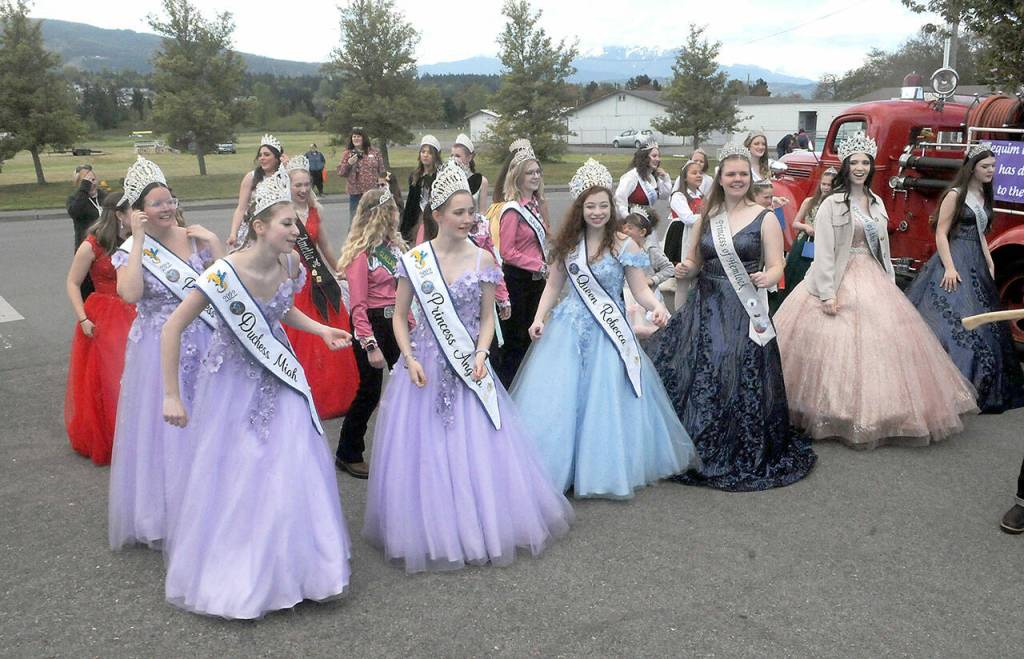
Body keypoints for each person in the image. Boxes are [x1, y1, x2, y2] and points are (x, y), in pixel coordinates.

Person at [363, 159, 573, 573]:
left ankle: (481, 522)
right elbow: (399, 315)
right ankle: (430, 527)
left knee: (476, 446)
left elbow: (487, 317)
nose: (467, 218)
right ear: (437, 214)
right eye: (458, 212)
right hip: (423, 365)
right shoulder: (416, 259)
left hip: (469, 367)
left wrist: (480, 353)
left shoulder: (482, 260)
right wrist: (406, 357)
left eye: (470, 211)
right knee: (424, 449)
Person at [160, 168, 352, 619]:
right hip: (232, 384)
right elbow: (172, 328)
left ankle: (301, 568)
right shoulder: (222, 274)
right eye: (286, 223)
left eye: (296, 223)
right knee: (242, 470)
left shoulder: (288, 264)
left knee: (292, 461)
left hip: (278, 374)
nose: (295, 230)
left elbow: (281, 311)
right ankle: (243, 570)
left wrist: (322, 329)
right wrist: (172, 394)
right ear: (259, 226)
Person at [773, 132, 978, 448]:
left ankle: (882, 411)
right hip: (838, 276)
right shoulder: (831, 203)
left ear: (871, 167)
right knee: (833, 347)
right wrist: (828, 292)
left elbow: (882, 245)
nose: (859, 167)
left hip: (872, 275)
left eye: (864, 162)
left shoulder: (876, 202)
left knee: (883, 347)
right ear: (845, 166)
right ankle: (828, 410)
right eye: (854, 162)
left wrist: (890, 279)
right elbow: (826, 250)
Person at [510, 160, 698, 497]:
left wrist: (656, 307)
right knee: (559, 402)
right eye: (589, 206)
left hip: (609, 333)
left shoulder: (624, 245)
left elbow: (640, 290)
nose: (597, 212)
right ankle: (558, 468)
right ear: (579, 208)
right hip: (568, 328)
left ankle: (600, 468)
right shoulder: (568, 246)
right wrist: (539, 318)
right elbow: (553, 287)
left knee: (606, 402)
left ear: (612, 207)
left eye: (603, 205)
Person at [645, 143, 816, 491]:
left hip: (744, 308)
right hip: (706, 305)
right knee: (698, 370)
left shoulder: (765, 217)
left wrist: (769, 278)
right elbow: (694, 261)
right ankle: (693, 442)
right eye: (731, 174)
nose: (737, 179)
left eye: (742, 174)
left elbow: (776, 263)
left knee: (735, 368)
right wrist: (686, 266)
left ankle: (736, 443)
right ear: (720, 179)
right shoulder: (708, 218)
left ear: (749, 178)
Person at [108, 156, 222, 550]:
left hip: (201, 339)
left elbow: (223, 289)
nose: (166, 208)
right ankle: (169, 512)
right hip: (157, 346)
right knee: (165, 430)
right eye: (156, 203)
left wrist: (214, 245)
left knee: (206, 416)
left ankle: (211, 502)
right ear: (139, 211)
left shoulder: (192, 236)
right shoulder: (128, 250)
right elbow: (131, 294)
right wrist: (138, 240)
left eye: (168, 200)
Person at [905, 143, 1024, 413]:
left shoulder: (983, 194)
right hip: (955, 257)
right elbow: (941, 233)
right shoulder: (955, 195)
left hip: (976, 260)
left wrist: (990, 260)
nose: (991, 171)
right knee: (956, 319)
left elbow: (980, 231)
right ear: (972, 168)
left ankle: (983, 381)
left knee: (984, 322)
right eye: (985, 167)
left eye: (993, 167)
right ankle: (949, 383)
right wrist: (948, 267)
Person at [334, 188, 407, 479]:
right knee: (370, 391)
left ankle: (408, 449)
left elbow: (403, 293)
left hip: (397, 323)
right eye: (390, 210)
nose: (394, 215)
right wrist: (370, 344)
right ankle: (348, 452)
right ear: (378, 215)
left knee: (410, 384)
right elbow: (358, 307)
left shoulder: (395, 249)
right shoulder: (361, 256)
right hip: (372, 326)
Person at [284, 155, 360, 420]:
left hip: (319, 280)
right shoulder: (282, 214)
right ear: (288, 186)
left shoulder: (315, 211)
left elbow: (323, 246)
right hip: (294, 283)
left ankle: (335, 395)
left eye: (307, 184)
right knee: (304, 341)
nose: (304, 190)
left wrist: (340, 270)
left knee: (331, 335)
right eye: (298, 186)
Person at [64, 192, 136, 465]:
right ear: (119, 214)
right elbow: (72, 282)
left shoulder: (137, 241)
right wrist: (82, 317)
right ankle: (112, 435)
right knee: (110, 377)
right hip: (104, 314)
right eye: (134, 211)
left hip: (135, 310)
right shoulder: (92, 244)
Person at [495, 139, 549, 387]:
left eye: (537, 171)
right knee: (517, 339)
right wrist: (536, 264)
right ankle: (511, 387)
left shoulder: (536, 206)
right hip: (517, 281)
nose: (535, 176)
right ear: (517, 177)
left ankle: (528, 387)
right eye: (530, 172)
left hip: (537, 282)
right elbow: (507, 252)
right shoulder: (512, 210)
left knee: (535, 336)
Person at [781, 168, 837, 301]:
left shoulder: (836, 205)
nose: (826, 187)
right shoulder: (809, 201)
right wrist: (806, 227)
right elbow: (795, 223)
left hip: (824, 244)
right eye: (824, 184)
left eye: (830, 185)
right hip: (805, 242)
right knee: (796, 273)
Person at [228, 134, 284, 248]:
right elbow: (241, 208)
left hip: (276, 228)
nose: (262, 158)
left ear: (277, 158)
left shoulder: (285, 177)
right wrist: (233, 233)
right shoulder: (251, 177)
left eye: (267, 155)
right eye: (260, 155)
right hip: (252, 228)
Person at [67, 164, 107, 300]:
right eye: (87, 180)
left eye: (93, 179)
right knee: (88, 288)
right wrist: (84, 190)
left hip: (106, 248)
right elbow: (75, 212)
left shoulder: (103, 197)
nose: (92, 183)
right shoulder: (76, 199)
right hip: (87, 249)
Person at [337, 127, 385, 228]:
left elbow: (382, 170)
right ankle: (353, 242)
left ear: (364, 138)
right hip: (356, 193)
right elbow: (341, 173)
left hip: (372, 192)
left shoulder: (374, 152)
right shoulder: (347, 153)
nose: (356, 139)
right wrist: (349, 164)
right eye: (354, 137)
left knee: (373, 221)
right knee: (355, 222)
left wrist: (382, 184)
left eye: (358, 136)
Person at [400, 134, 443, 244]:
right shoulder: (415, 176)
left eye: (429, 153)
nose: (425, 155)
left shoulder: (440, 175)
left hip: (434, 217)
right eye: (423, 152)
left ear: (435, 156)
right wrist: (405, 228)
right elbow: (410, 203)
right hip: (418, 217)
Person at [613, 138, 671, 218]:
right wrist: (627, 217)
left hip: (647, 222)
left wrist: (665, 178)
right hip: (632, 224)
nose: (658, 159)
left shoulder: (652, 176)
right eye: (654, 156)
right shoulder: (632, 176)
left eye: (658, 156)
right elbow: (619, 198)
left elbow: (664, 195)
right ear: (644, 157)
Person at [451, 133, 489, 208]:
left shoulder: (482, 182)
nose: (454, 159)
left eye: (458, 156)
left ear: (469, 157)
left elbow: (482, 211)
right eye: (452, 156)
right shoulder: (449, 179)